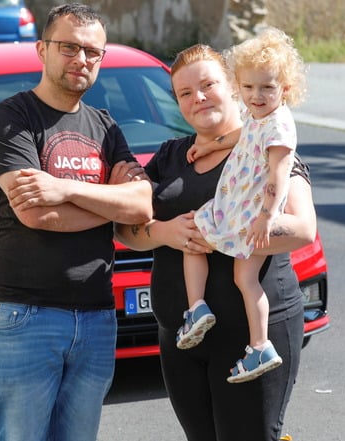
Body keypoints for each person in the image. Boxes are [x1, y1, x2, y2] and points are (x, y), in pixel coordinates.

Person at [115, 42, 317, 440]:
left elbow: (302, 229)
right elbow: (126, 228)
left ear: (232, 86)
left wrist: (222, 234)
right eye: (185, 93)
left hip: (249, 336)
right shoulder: (171, 156)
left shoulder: (267, 148)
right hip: (181, 334)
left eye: (208, 84)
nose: (198, 98)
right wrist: (166, 232)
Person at [0, 3, 152, 441]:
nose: (82, 60)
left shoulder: (106, 127)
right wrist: (109, 202)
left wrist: (68, 189)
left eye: (92, 52)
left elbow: (140, 208)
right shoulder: (11, 119)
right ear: (42, 49)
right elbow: (37, 213)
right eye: (69, 47)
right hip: (25, 314)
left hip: (96, 314)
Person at [176, 26, 308, 385]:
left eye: (267, 87)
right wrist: (210, 145)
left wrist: (266, 218)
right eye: (248, 88)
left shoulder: (280, 125)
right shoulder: (256, 115)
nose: (256, 95)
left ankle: (198, 310)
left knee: (194, 235)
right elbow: (239, 135)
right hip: (240, 207)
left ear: (285, 87)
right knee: (241, 275)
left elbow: (280, 175)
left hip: (248, 213)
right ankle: (255, 342)